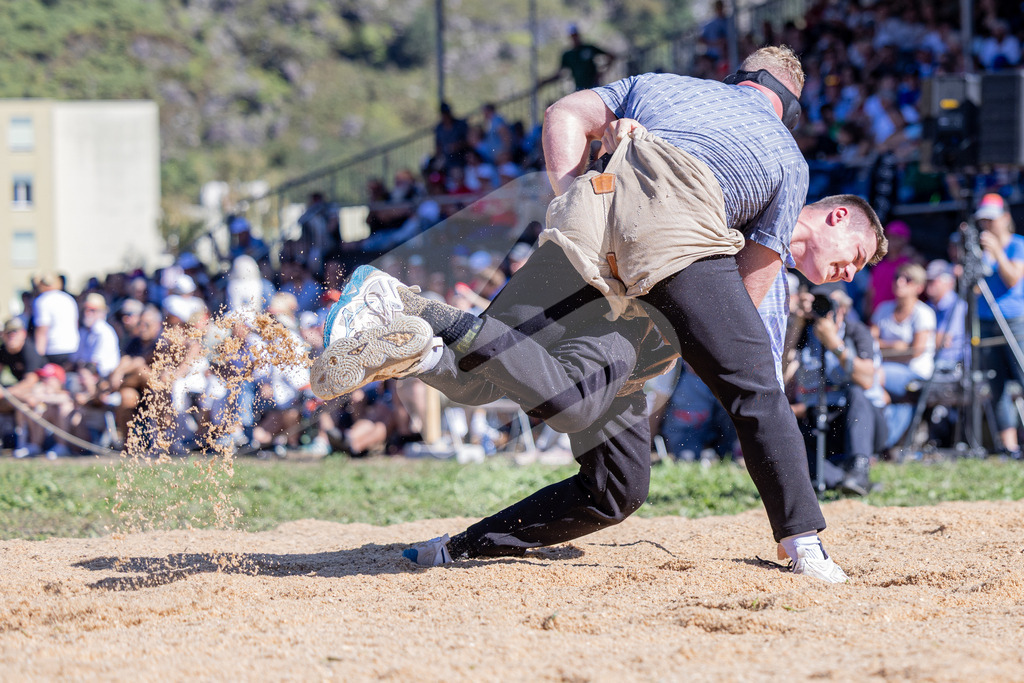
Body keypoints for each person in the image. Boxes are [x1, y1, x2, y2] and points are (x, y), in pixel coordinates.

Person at [312, 47, 886, 582]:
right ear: (787, 107)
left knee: (562, 442)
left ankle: (413, 327)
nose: (850, 272)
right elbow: (750, 286)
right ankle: (801, 538)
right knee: (754, 384)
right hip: (675, 235)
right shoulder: (785, 152)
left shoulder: (660, 85)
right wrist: (699, 342)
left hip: (591, 216)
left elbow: (563, 113)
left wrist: (572, 201)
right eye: (857, 257)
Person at [787, 288, 886, 496]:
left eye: (831, 305)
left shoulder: (856, 332)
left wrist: (834, 344)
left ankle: (858, 470)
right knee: (787, 429)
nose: (825, 311)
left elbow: (866, 380)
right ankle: (840, 479)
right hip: (819, 417)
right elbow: (780, 374)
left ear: (843, 309)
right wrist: (797, 322)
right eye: (818, 304)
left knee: (856, 393)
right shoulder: (803, 333)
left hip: (862, 422)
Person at [974, 193, 1024, 457]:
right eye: (983, 220)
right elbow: (974, 288)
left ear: (1005, 218)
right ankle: (1008, 447)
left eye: (991, 220)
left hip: (1014, 321)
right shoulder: (980, 249)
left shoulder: (1017, 245)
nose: (987, 225)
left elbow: (1013, 278)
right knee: (997, 384)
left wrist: (996, 252)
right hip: (985, 320)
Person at [31, 272, 80, 368]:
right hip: (72, 348)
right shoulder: (69, 299)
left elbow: (42, 330)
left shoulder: (42, 301)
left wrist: (38, 357)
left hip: (53, 350)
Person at [547, 25, 615, 91]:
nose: (575, 38)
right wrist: (545, 81)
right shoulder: (568, 55)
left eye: (576, 35)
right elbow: (560, 73)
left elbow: (611, 56)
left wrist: (601, 72)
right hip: (580, 88)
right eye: (573, 36)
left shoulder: (589, 48)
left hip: (594, 86)